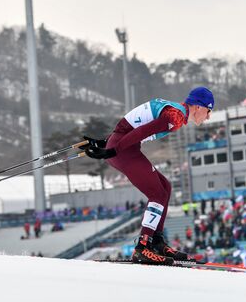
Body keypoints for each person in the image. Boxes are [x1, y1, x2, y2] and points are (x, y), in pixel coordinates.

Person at [83, 87, 214, 265]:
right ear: (198, 107)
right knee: (157, 194)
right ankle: (143, 248)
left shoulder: (176, 110)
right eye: (208, 111)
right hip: (124, 149)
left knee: (165, 187)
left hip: (122, 145)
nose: (208, 117)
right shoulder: (175, 116)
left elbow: (131, 126)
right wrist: (112, 150)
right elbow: (141, 132)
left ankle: (157, 242)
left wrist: (108, 143)